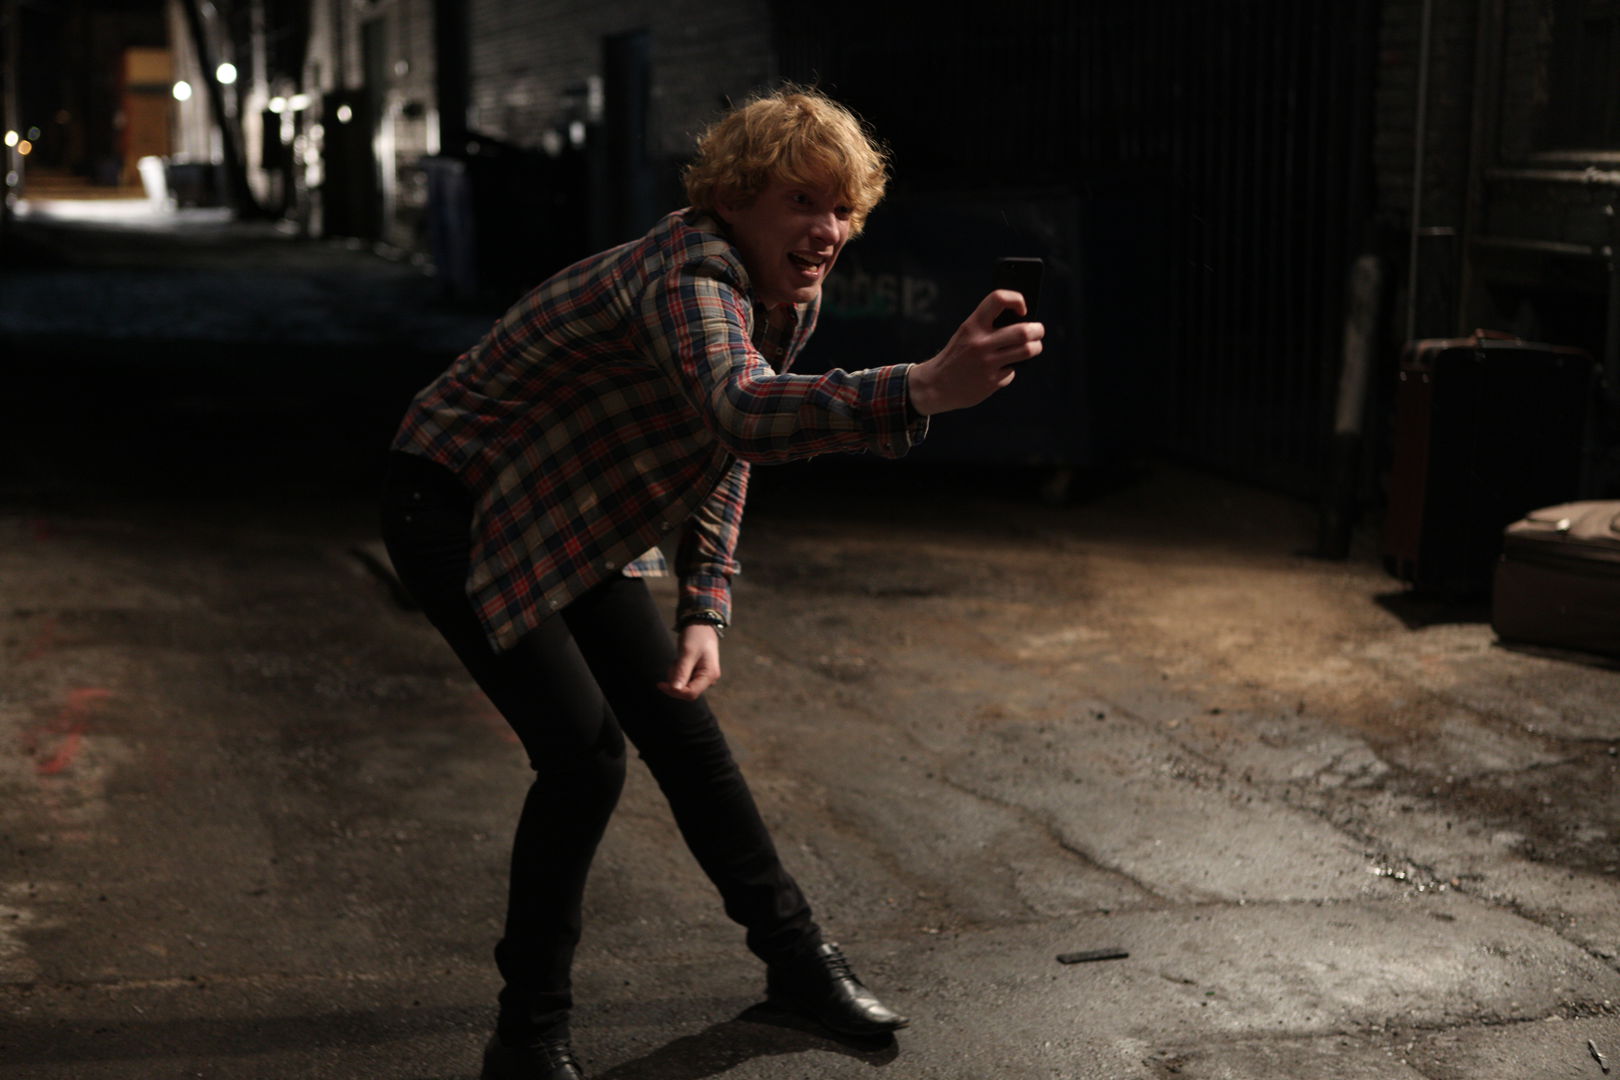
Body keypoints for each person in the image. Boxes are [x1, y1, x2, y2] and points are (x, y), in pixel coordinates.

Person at [380, 85, 1043, 1080]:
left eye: (842, 209)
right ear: (732, 199)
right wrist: (917, 388)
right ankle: (525, 1035)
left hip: (576, 505)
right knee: (584, 759)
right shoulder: (690, 272)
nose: (827, 232)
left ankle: (799, 965)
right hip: (457, 499)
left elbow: (723, 447)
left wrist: (705, 601)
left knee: (681, 730)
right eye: (801, 203)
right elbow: (742, 408)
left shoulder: (786, 293)